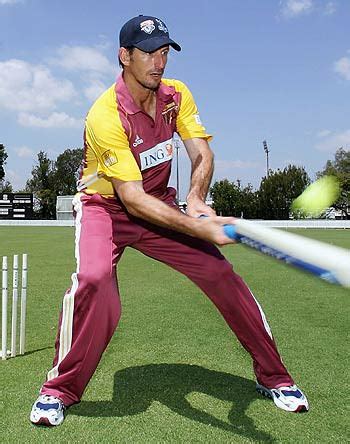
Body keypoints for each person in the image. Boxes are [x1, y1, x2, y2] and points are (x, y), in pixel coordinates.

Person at [30, 15, 308, 426]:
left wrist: (196, 198)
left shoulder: (177, 96)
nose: (159, 63)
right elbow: (132, 200)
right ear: (124, 57)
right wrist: (200, 227)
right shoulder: (105, 115)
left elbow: (202, 154)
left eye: (164, 52)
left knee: (220, 273)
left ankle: (275, 377)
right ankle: (59, 390)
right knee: (94, 281)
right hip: (106, 208)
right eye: (148, 54)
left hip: (158, 202)